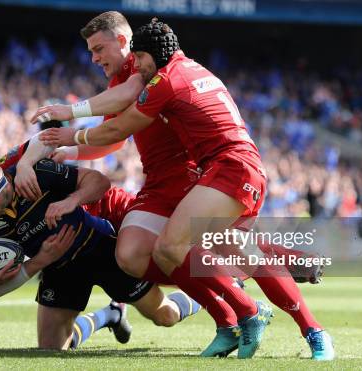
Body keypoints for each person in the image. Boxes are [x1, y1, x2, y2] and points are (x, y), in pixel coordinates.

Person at [37, 17, 335, 360]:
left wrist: (69, 121)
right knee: (135, 253)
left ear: (127, 44)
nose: (94, 58)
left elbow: (124, 112)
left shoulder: (149, 74)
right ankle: (238, 315)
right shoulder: (159, 71)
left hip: (205, 176)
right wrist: (69, 150)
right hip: (189, 178)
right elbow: (111, 137)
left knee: (225, 250)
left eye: (99, 49)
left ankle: (288, 320)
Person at [0, 154, 200, 350]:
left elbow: (97, 181)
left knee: (165, 316)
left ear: (5, 185)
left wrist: (71, 201)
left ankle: (213, 287)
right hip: (59, 268)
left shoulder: (33, 173)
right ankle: (109, 315)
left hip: (100, 245)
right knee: (50, 349)